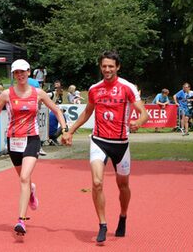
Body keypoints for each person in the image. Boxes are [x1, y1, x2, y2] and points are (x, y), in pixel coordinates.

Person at [63, 51, 148, 243]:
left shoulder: (127, 87)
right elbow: (86, 112)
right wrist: (70, 131)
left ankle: (123, 216)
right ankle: (102, 224)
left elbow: (143, 112)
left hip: (121, 144)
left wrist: (138, 123)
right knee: (97, 182)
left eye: (111, 66)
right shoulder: (94, 89)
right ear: (100, 67)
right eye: (104, 66)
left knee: (123, 185)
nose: (107, 69)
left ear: (117, 67)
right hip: (99, 141)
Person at [0, 59, 68, 236]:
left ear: (29, 72)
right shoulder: (6, 94)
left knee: (24, 177)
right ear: (13, 75)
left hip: (31, 139)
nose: (19, 75)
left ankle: (21, 220)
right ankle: (32, 191)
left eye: (22, 72)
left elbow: (57, 111)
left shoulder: (39, 93)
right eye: (16, 73)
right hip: (13, 140)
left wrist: (64, 129)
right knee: (24, 179)